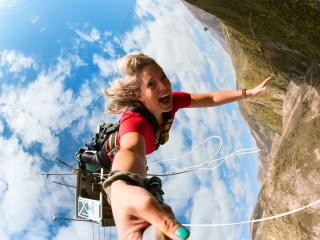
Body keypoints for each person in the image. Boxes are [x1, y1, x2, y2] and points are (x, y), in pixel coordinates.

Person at [102, 53, 272, 240]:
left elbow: (211, 98)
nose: (164, 85)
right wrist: (119, 187)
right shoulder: (134, 122)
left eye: (163, 77)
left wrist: (248, 93)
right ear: (138, 96)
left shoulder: (172, 102)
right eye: (151, 84)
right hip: (110, 160)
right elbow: (131, 150)